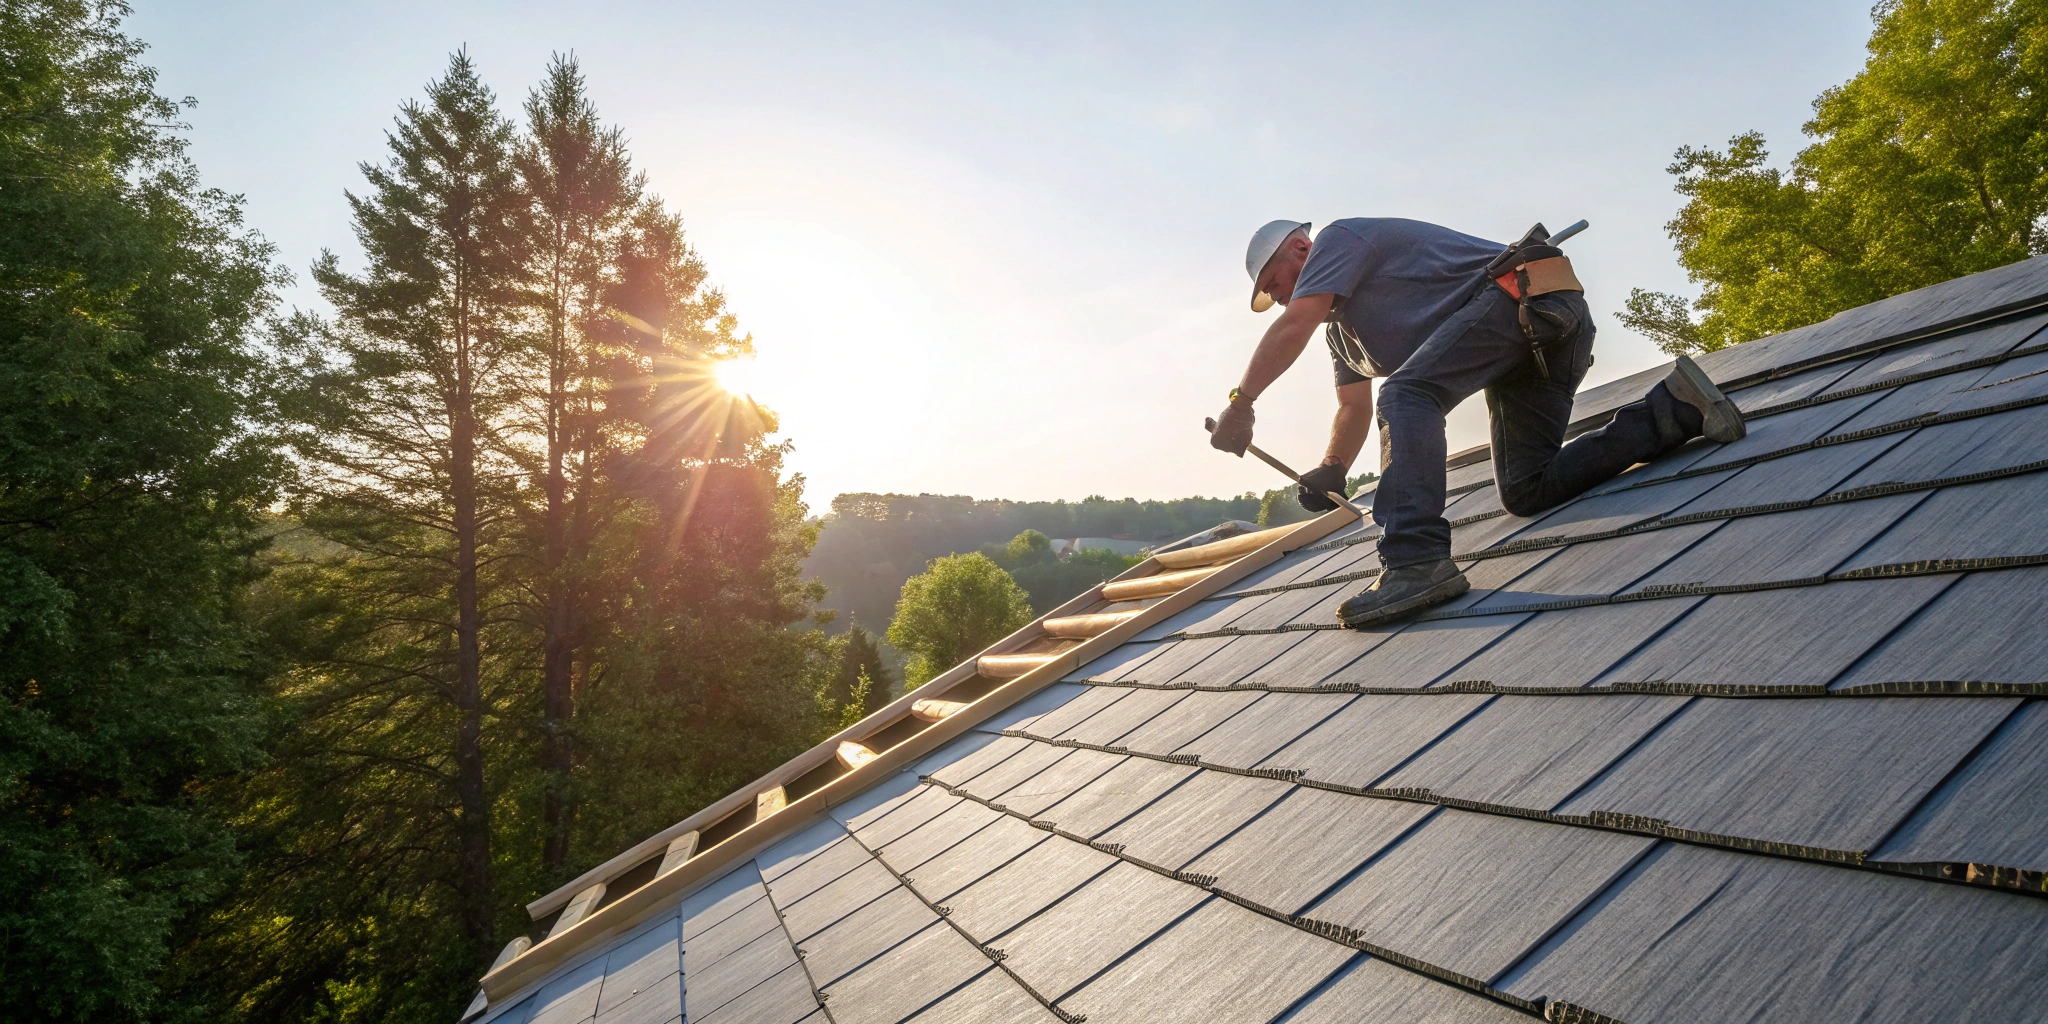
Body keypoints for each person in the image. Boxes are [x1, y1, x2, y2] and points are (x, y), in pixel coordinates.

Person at [1209, 218, 1744, 628]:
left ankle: (1416, 562)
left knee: (1409, 391)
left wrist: (1242, 402)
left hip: (1529, 304)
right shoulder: (1343, 334)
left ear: (1300, 251)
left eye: (1276, 286)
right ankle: (1678, 408)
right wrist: (1332, 469)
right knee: (1526, 487)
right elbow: (1352, 407)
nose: (1280, 299)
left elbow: (1293, 323)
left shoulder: (1338, 241)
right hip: (1525, 342)